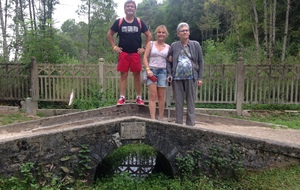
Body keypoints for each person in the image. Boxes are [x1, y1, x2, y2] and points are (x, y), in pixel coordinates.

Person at [107, 0, 152, 105]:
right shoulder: (119, 22)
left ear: (135, 9)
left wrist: (144, 48)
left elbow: (149, 36)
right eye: (128, 6)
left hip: (136, 54)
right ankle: (122, 97)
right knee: (123, 75)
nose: (130, 8)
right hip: (124, 53)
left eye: (132, 6)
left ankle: (139, 97)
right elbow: (109, 34)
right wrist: (114, 46)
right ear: (124, 9)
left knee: (137, 75)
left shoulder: (139, 22)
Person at [166, 22, 204, 126]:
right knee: (179, 102)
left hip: (191, 77)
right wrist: (169, 74)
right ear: (178, 34)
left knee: (191, 101)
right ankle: (179, 124)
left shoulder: (195, 45)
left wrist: (200, 77)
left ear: (189, 32)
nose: (185, 32)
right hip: (177, 77)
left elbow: (200, 61)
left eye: (187, 30)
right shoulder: (174, 46)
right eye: (183, 31)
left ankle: (190, 124)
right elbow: (168, 61)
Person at [143, 25, 170, 120]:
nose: (161, 34)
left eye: (163, 32)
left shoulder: (168, 47)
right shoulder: (151, 44)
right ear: (156, 34)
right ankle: (153, 118)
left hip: (163, 71)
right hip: (152, 71)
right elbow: (145, 57)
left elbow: (169, 61)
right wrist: (148, 69)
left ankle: (161, 117)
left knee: (161, 96)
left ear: (166, 34)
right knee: (153, 96)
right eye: (159, 32)